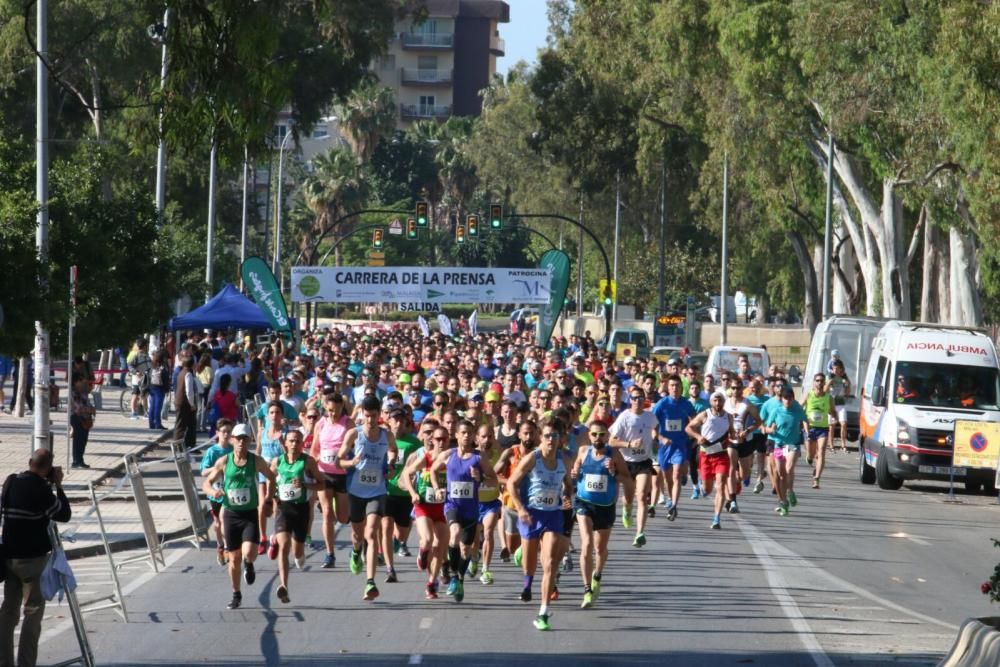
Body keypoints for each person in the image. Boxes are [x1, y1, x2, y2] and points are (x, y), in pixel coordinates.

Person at [0, 449, 72, 667]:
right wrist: (58, 486)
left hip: (9, 557)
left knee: (8, 612)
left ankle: (4, 662)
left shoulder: (11, 482)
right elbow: (64, 514)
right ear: (48, 467)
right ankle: (26, 663)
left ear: (30, 461)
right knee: (32, 613)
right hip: (33, 561)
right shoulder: (41, 490)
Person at [508, 417, 573, 631]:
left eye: (554, 436)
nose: (551, 440)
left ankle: (543, 612)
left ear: (560, 438)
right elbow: (511, 483)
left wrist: (567, 496)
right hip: (531, 514)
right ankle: (527, 584)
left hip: (553, 515)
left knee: (550, 563)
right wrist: (520, 508)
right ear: (540, 437)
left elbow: (568, 484)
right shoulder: (532, 458)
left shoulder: (564, 460)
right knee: (529, 564)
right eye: (546, 436)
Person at [202, 427, 277, 610]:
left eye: (245, 438)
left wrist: (268, 499)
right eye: (238, 438)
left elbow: (271, 477)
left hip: (250, 513)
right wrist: (214, 492)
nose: (241, 442)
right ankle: (236, 594)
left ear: (249, 440)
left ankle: (249, 564)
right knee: (233, 558)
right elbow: (206, 483)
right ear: (233, 440)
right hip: (231, 514)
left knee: (249, 553)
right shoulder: (224, 461)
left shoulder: (255, 461)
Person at [429, 420, 498, 603]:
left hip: (471, 510)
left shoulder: (479, 457)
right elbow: (433, 471)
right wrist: (437, 488)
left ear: (474, 436)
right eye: (463, 432)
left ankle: (459, 579)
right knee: (454, 534)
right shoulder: (448, 455)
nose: (466, 436)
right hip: (452, 505)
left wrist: (481, 477)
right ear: (457, 435)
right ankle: (453, 576)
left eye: (469, 433)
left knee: (466, 550)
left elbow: (494, 481)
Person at [338, 395, 399, 601]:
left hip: (377, 491)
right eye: (367, 416)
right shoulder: (354, 435)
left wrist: (390, 466)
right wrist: (351, 462)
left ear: (379, 414)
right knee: (358, 535)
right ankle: (356, 551)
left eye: (374, 416)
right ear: (362, 415)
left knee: (371, 534)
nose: (371, 421)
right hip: (356, 491)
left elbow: (393, 451)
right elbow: (339, 461)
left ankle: (370, 582)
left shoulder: (386, 435)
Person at [571, 422, 628, 609]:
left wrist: (613, 471)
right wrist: (574, 472)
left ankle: (597, 574)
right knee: (586, 543)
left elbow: (627, 479)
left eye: (602, 434)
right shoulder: (583, 451)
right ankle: (587, 589)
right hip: (583, 502)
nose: (598, 438)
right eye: (594, 434)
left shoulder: (614, 454)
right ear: (589, 435)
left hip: (605, 506)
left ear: (607, 436)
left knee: (600, 548)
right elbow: (575, 470)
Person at [267, 429, 321, 604]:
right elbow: (270, 479)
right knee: (284, 546)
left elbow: (322, 484)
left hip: (301, 510)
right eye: (291, 441)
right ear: (286, 443)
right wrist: (270, 498)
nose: (294, 444)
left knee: (297, 551)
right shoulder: (277, 462)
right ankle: (284, 585)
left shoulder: (308, 462)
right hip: (284, 509)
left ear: (302, 443)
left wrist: (305, 484)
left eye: (297, 441)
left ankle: (300, 555)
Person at [400, 421, 450, 600]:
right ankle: (422, 553)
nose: (441, 442)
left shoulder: (452, 460)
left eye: (445, 438)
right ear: (432, 440)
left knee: (440, 546)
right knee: (428, 540)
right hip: (423, 506)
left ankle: (432, 582)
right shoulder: (426, 458)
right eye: (438, 439)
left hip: (443, 509)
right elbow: (406, 473)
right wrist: (413, 493)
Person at [608, 386, 656, 547]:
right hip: (626, 462)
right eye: (634, 398)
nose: (638, 401)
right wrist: (629, 444)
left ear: (645, 400)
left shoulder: (650, 417)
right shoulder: (624, 417)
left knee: (641, 495)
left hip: (644, 462)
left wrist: (657, 440)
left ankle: (640, 533)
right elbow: (612, 441)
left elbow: (655, 431)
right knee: (628, 497)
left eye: (640, 398)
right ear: (630, 400)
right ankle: (627, 509)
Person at [310, 392, 351, 568]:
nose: (332, 414)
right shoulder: (321, 424)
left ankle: (357, 536)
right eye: (329, 411)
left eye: (336, 410)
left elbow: (356, 447)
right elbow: (313, 449)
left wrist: (343, 458)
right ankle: (330, 554)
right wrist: (320, 457)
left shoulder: (348, 424)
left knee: (343, 518)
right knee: (327, 513)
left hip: (342, 474)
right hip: (324, 472)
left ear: (342, 407)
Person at [685, 392, 735, 529]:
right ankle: (702, 484)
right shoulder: (705, 414)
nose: (718, 403)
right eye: (715, 400)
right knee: (707, 490)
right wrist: (697, 436)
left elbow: (732, 433)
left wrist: (737, 436)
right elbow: (688, 428)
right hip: (706, 455)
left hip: (721, 455)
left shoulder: (728, 417)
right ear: (711, 402)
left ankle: (716, 518)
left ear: (724, 402)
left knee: (720, 485)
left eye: (720, 401)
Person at [652, 375, 696, 520]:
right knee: (668, 478)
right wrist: (661, 438)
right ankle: (671, 499)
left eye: (677, 385)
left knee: (676, 474)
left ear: (682, 388)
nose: (675, 388)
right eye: (672, 385)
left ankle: (674, 506)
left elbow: (694, 420)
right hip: (665, 447)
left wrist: (692, 433)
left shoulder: (686, 404)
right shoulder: (662, 404)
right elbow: (652, 427)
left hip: (680, 444)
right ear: (668, 387)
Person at [201, 419, 237, 566]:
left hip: (229, 492)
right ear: (217, 433)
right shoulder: (212, 451)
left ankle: (228, 546)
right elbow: (203, 472)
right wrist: (218, 467)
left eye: (229, 432)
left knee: (224, 518)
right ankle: (220, 545)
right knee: (217, 523)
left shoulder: (233, 449)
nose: (226, 434)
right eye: (224, 432)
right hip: (215, 491)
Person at [802, 373, 838, 489]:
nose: (819, 383)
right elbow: (798, 407)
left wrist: (836, 418)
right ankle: (809, 458)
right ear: (814, 382)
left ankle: (817, 478)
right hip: (810, 427)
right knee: (811, 455)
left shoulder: (829, 397)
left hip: (822, 428)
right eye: (817, 380)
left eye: (822, 381)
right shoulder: (808, 395)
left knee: (821, 451)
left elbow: (832, 410)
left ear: (824, 383)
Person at [69, 373, 96, 469]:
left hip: (86, 419)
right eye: (81, 381)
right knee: (78, 441)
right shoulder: (73, 392)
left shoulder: (83, 391)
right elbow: (78, 408)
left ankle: (80, 460)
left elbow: (87, 402)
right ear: (76, 382)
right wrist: (89, 410)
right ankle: (76, 461)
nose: (84, 383)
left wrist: (92, 409)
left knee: (83, 440)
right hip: (77, 418)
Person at [826, 361, 851, 452]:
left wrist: (847, 384)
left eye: (837, 368)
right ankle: (831, 445)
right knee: (832, 426)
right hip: (832, 404)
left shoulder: (844, 377)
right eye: (834, 368)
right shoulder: (829, 377)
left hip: (841, 404)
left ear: (841, 369)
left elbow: (848, 393)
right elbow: (825, 390)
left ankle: (843, 444)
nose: (835, 370)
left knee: (843, 424)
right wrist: (830, 382)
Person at [174, 356, 199, 450]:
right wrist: (192, 404)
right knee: (181, 425)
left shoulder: (181, 372)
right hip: (185, 403)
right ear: (192, 364)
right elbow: (189, 391)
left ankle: (190, 444)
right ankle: (179, 445)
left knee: (190, 424)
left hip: (181, 401)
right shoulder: (188, 374)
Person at [127, 339, 151, 419]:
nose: (147, 347)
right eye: (146, 345)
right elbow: (130, 366)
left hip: (146, 379)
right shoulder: (136, 355)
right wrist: (136, 372)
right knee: (135, 395)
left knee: (144, 396)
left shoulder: (146, 355)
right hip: (137, 379)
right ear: (144, 346)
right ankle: (133, 413)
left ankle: (145, 413)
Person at [147, 350, 169, 430]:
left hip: (152, 387)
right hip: (160, 388)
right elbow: (165, 379)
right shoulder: (163, 367)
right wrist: (167, 389)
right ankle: (158, 424)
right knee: (158, 407)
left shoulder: (152, 366)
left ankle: (151, 424)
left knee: (152, 406)